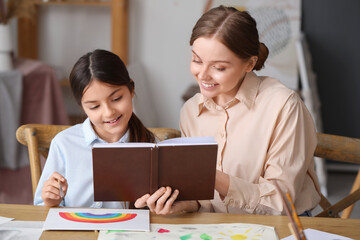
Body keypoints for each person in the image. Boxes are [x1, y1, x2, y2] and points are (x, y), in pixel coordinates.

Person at [135, 6, 321, 216]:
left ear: (249, 63)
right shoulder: (191, 111)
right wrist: (186, 204)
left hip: (282, 226)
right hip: (220, 226)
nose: (202, 75)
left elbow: (279, 203)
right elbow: (204, 199)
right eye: (197, 60)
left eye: (219, 67)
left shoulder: (283, 105)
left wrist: (215, 178)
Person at [34, 49, 156, 208]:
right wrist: (50, 201)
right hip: (77, 231)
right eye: (94, 106)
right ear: (83, 107)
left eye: (117, 98)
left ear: (131, 90)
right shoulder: (64, 144)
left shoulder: (152, 146)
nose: (109, 112)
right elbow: (40, 206)